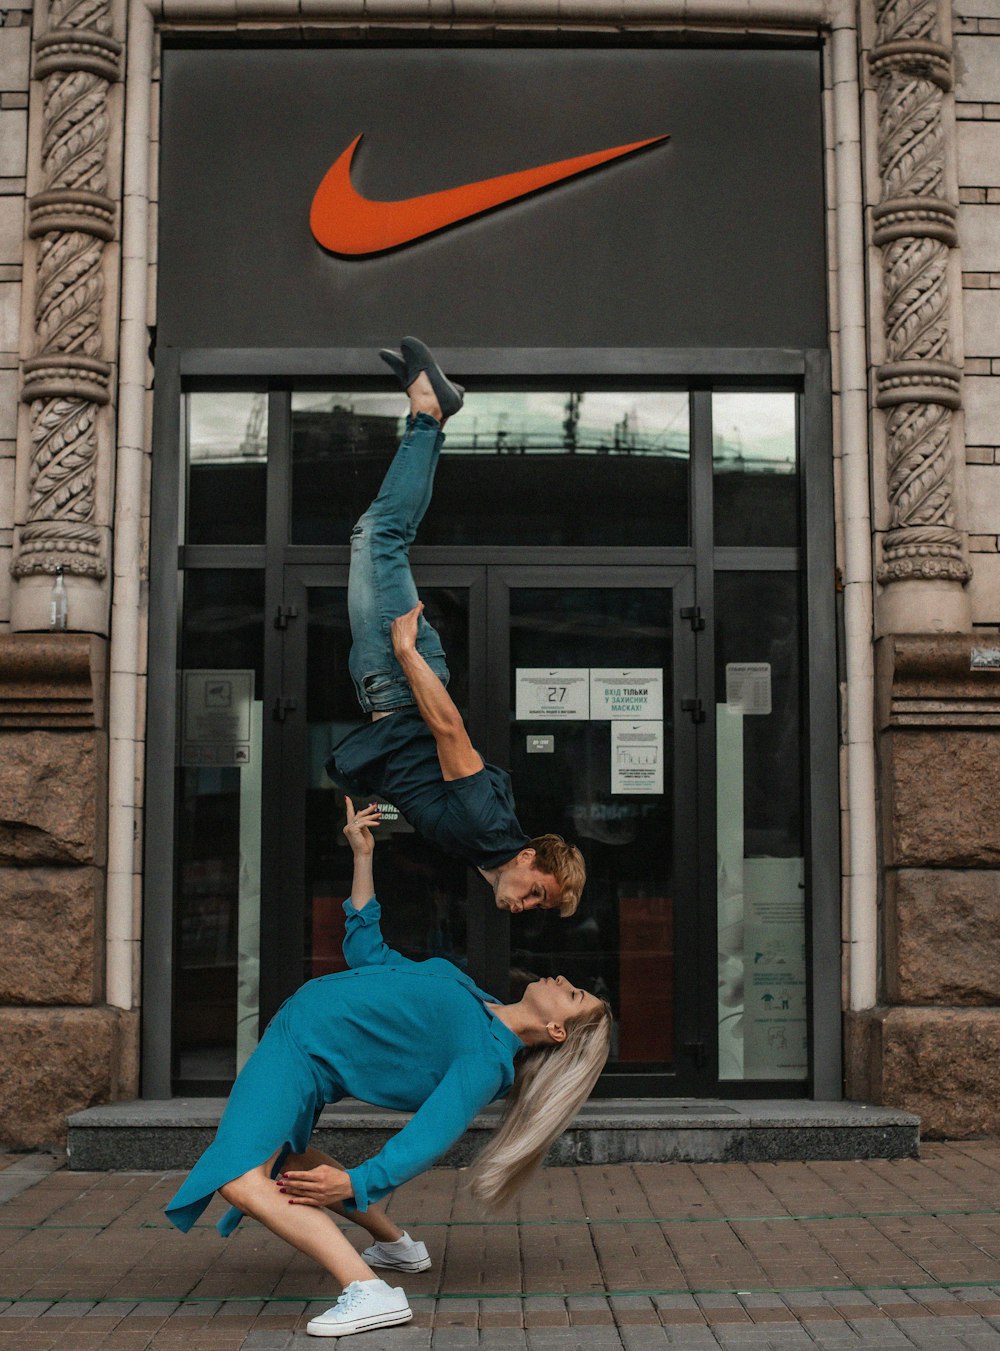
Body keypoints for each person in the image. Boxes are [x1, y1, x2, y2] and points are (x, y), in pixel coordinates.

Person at [165, 797, 611, 1339]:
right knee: (287, 1159)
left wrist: (358, 1181)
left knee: (239, 1179)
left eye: (575, 994)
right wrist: (362, 854)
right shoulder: (477, 998)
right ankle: (399, 1249)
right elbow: (369, 955)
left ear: (559, 1032)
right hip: (299, 1047)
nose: (565, 980)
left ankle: (368, 1291)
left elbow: (429, 1135)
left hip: (302, 1054)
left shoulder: (487, 1058)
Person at [325, 336, 586, 918]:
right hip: (398, 679)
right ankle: (428, 411)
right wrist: (408, 654)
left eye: (537, 905)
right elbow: (449, 731)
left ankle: (432, 414)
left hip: (395, 687)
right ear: (527, 859)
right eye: (537, 893)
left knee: (382, 538)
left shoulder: (484, 845)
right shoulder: (488, 825)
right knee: (379, 537)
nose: (526, 906)